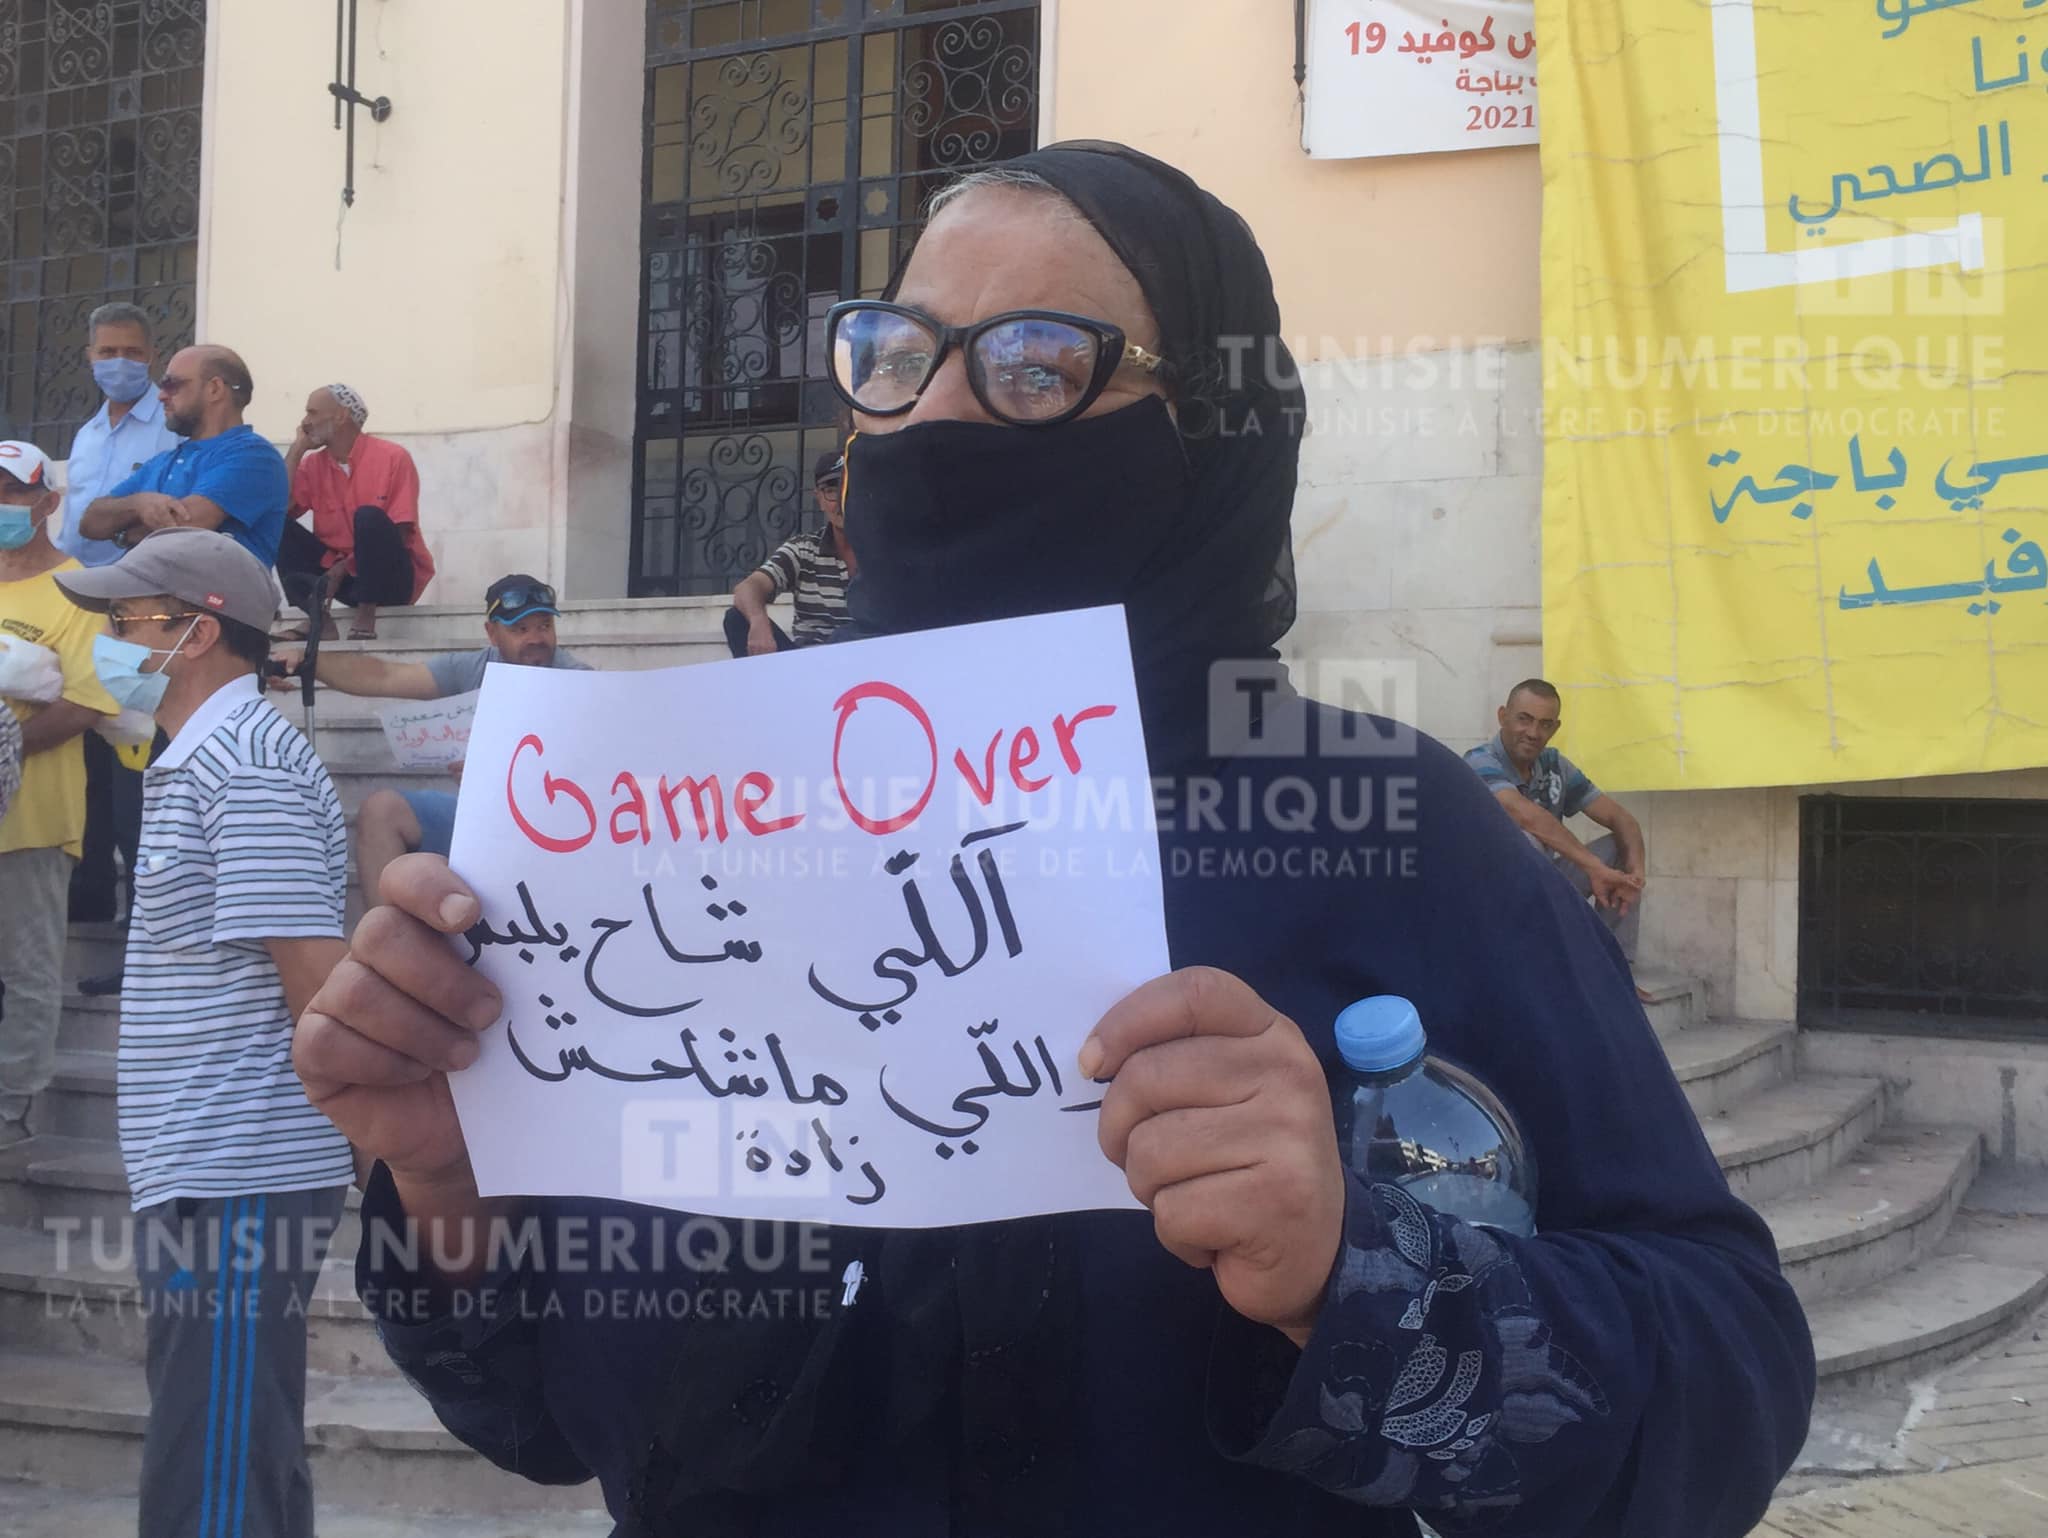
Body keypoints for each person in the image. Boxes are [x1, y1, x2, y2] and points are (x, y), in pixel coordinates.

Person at [292, 144, 1813, 1538]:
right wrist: (450, 1189)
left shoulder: (1383, 826)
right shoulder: (694, 830)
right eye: (896, 355)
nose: (937, 412)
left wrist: (1357, 1275)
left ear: (1206, 430)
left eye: (1035, 363)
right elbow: (542, 1423)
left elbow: (1724, 1389)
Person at [54, 527, 354, 1538]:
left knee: (213, 1471)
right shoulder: (207, 757)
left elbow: (316, 985)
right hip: (207, 1161)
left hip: (239, 1169)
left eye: (126, 617)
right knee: (236, 1446)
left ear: (194, 632)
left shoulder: (249, 765)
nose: (109, 636)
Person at [270, 573, 588, 898]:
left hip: (557, 831)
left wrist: (503, 780)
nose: (536, 638)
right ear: (492, 633)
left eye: (544, 626)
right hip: (479, 822)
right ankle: (387, 944)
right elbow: (385, 676)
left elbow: (595, 783)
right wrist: (310, 660)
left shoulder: (584, 685)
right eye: (520, 629)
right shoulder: (474, 667)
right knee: (382, 811)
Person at [0, 441, 118, 1148]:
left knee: (29, 969)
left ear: (49, 502)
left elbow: (88, 702)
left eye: (14, 492)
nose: (2, 505)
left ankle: (13, 1105)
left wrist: (4, 744)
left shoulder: (80, 589)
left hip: (36, 816)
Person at [58, 303, 183, 933]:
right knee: (87, 759)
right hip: (82, 611)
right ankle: (90, 899)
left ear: (152, 356)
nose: (120, 364)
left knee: (137, 753)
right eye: (108, 352)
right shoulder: (85, 436)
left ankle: (144, 913)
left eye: (133, 353)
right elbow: (73, 528)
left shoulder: (168, 428)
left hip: (143, 611)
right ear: (89, 357)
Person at [1465, 680, 1650, 978]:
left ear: (1554, 728)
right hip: (1490, 902)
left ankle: (1611, 973)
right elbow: (1524, 815)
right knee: (1526, 840)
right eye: (1524, 719)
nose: (1533, 733)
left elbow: (1621, 817)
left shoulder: (1554, 765)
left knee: (1621, 848)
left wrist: (1635, 875)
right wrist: (1593, 867)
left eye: (1545, 724)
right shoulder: (1479, 761)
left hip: (1544, 886)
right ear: (1503, 716)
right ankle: (1535, 966)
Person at [74, 344, 290, 568]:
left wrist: (122, 533)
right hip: (151, 595)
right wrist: (139, 504)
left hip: (214, 600)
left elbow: (186, 527)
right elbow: (90, 523)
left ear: (214, 389)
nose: (160, 396)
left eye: (171, 385)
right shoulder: (162, 461)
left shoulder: (255, 456)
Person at [276, 383, 435, 642]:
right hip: (336, 581)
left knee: (368, 517)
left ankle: (366, 612)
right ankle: (319, 617)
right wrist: (297, 450)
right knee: (276, 524)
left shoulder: (393, 457)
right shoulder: (312, 465)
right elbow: (279, 507)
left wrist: (343, 568)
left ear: (341, 415)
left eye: (312, 412)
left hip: (390, 578)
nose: (305, 422)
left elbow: (400, 529)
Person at [724, 450, 855, 657]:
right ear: (819, 498)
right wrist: (759, 620)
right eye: (831, 490)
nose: (842, 501)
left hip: (867, 669)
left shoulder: (886, 549)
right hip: (805, 669)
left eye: (850, 489)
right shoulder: (803, 549)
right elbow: (747, 588)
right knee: (736, 619)